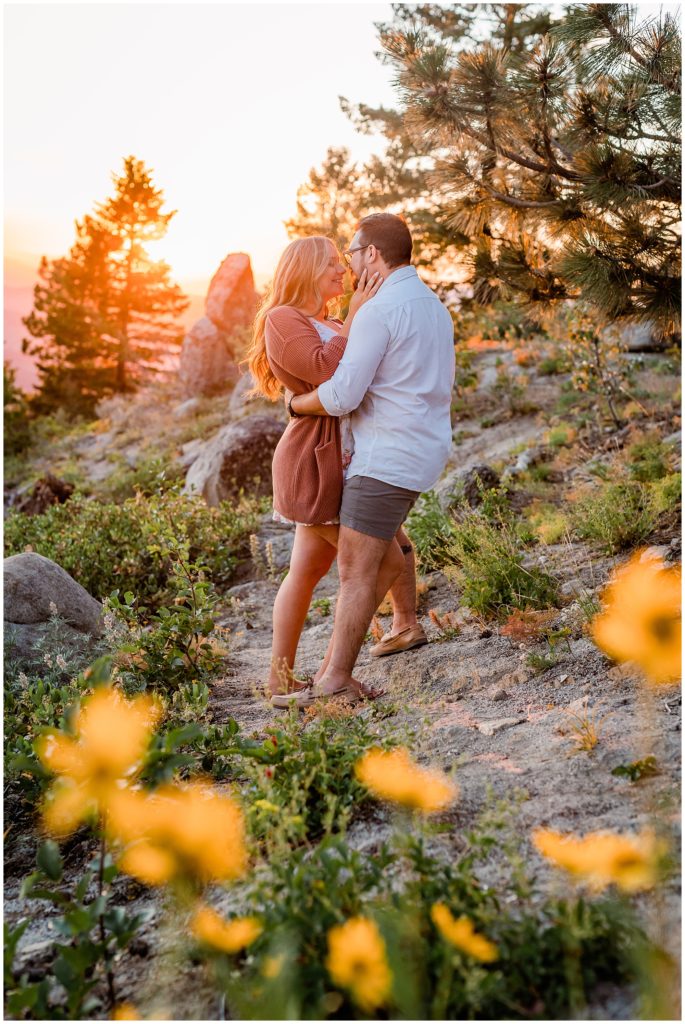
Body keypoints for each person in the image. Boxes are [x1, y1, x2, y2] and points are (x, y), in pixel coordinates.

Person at [272, 213, 455, 709]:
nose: (347, 263)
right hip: (396, 452)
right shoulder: (434, 307)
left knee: (359, 569)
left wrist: (295, 405)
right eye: (334, 260)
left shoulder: (375, 310)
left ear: (372, 254)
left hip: (380, 456)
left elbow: (342, 394)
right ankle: (395, 629)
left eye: (350, 253)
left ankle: (332, 675)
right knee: (320, 566)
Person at [245, 235, 411, 700]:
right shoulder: (283, 319)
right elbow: (322, 369)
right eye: (331, 265)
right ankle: (329, 676)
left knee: (304, 572)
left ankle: (284, 679)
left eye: (343, 263)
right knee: (388, 559)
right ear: (304, 270)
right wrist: (356, 317)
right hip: (315, 461)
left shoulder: (330, 320)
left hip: (344, 457)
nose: (343, 271)